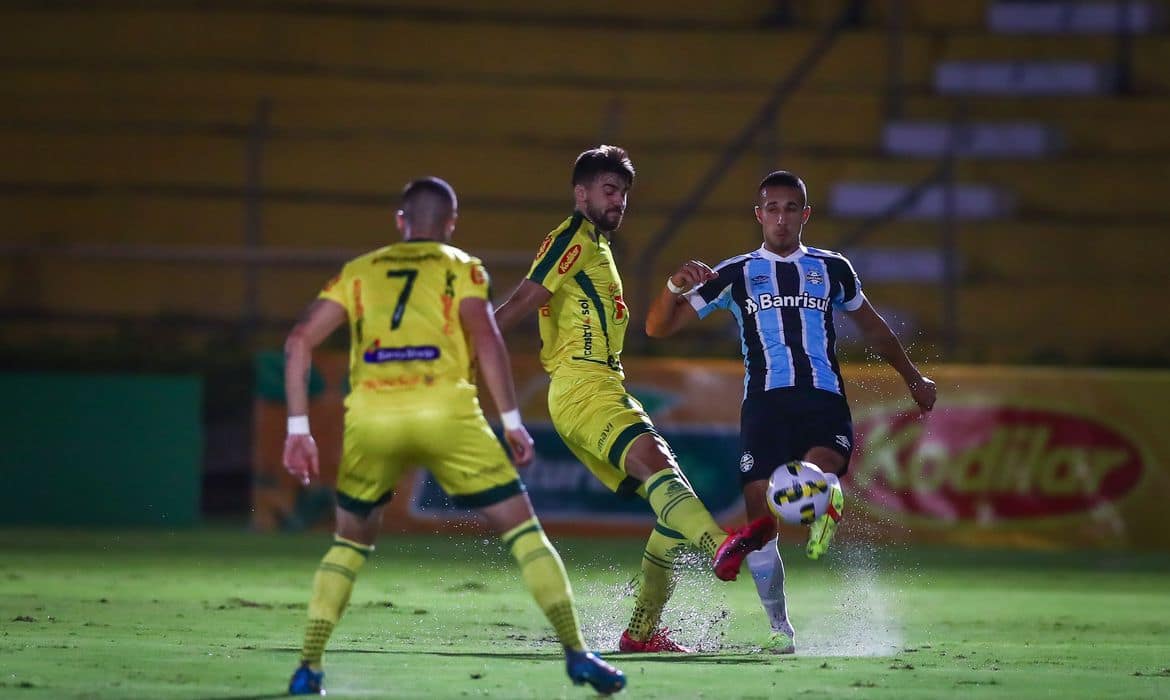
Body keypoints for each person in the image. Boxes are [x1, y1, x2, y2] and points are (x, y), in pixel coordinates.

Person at [281, 177, 626, 695]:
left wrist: (298, 428)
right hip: (447, 413)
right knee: (524, 533)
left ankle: (308, 666)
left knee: (348, 545)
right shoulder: (462, 266)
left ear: (400, 222)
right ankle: (577, 653)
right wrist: (510, 421)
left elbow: (299, 341)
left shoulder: (359, 272)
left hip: (373, 418)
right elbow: (486, 337)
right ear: (451, 224)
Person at [644, 170, 937, 654]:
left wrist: (913, 377)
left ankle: (825, 492)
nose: (781, 218)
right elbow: (657, 328)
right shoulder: (734, 274)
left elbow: (875, 328)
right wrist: (673, 285)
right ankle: (780, 630)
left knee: (809, 474)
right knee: (762, 523)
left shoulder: (831, 268)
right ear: (759, 215)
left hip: (822, 397)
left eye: (791, 208)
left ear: (806, 214)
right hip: (764, 405)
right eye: (772, 209)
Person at [494, 146, 773, 654]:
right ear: (581, 194)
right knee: (658, 463)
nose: (618, 200)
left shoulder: (598, 247)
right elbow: (523, 301)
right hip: (583, 386)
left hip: (601, 385)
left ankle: (640, 633)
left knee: (671, 501)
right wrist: (472, 346)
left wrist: (671, 285)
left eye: (623, 192)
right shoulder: (572, 238)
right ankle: (719, 546)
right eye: (608, 190)